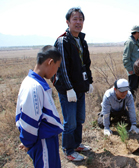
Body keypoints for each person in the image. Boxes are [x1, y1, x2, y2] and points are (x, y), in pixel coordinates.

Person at [52, 7, 93, 161]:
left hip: (80, 87)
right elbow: (62, 68)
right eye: (75, 19)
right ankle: (69, 151)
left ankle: (76, 144)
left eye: (80, 19)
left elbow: (86, 64)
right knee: (70, 122)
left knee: (80, 118)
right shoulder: (63, 41)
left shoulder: (82, 40)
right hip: (68, 89)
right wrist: (69, 89)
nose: (78, 22)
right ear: (67, 22)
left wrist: (89, 81)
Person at [16, 45, 64, 168]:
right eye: (57, 67)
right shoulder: (34, 87)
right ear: (50, 62)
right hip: (43, 141)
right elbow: (29, 120)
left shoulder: (35, 83)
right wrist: (28, 141)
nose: (56, 72)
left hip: (46, 139)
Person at [123, 25, 139, 97]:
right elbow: (126, 57)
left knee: (135, 87)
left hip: (137, 69)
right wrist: (129, 69)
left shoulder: (137, 42)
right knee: (131, 88)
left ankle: (134, 102)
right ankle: (130, 103)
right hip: (132, 70)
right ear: (136, 32)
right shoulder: (130, 42)